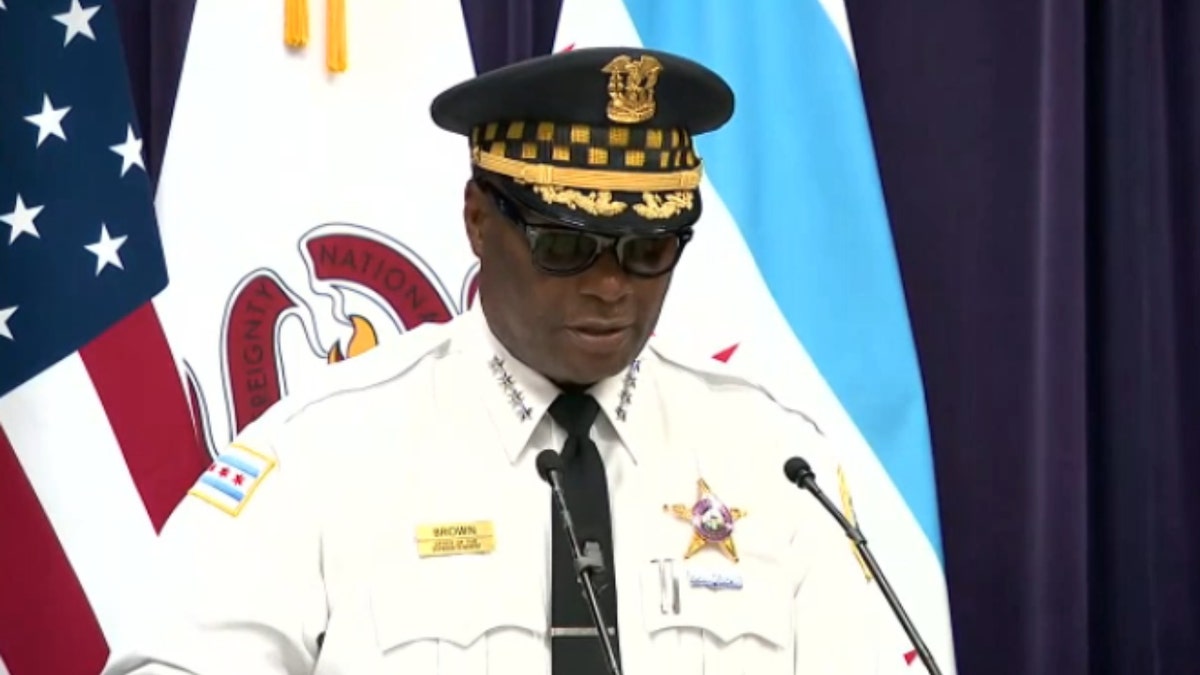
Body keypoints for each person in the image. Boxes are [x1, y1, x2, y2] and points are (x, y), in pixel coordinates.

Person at [102, 46, 879, 675]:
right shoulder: (328, 452)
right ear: (478, 220)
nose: (611, 287)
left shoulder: (775, 460)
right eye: (567, 245)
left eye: (648, 251)